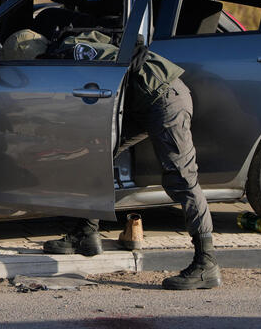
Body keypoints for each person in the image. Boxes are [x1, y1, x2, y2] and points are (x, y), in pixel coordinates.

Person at [42, 38, 222, 291]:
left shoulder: (75, 53)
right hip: (142, 101)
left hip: (164, 98)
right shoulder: (75, 46)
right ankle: (86, 232)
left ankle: (206, 263)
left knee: (181, 178)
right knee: (97, 154)